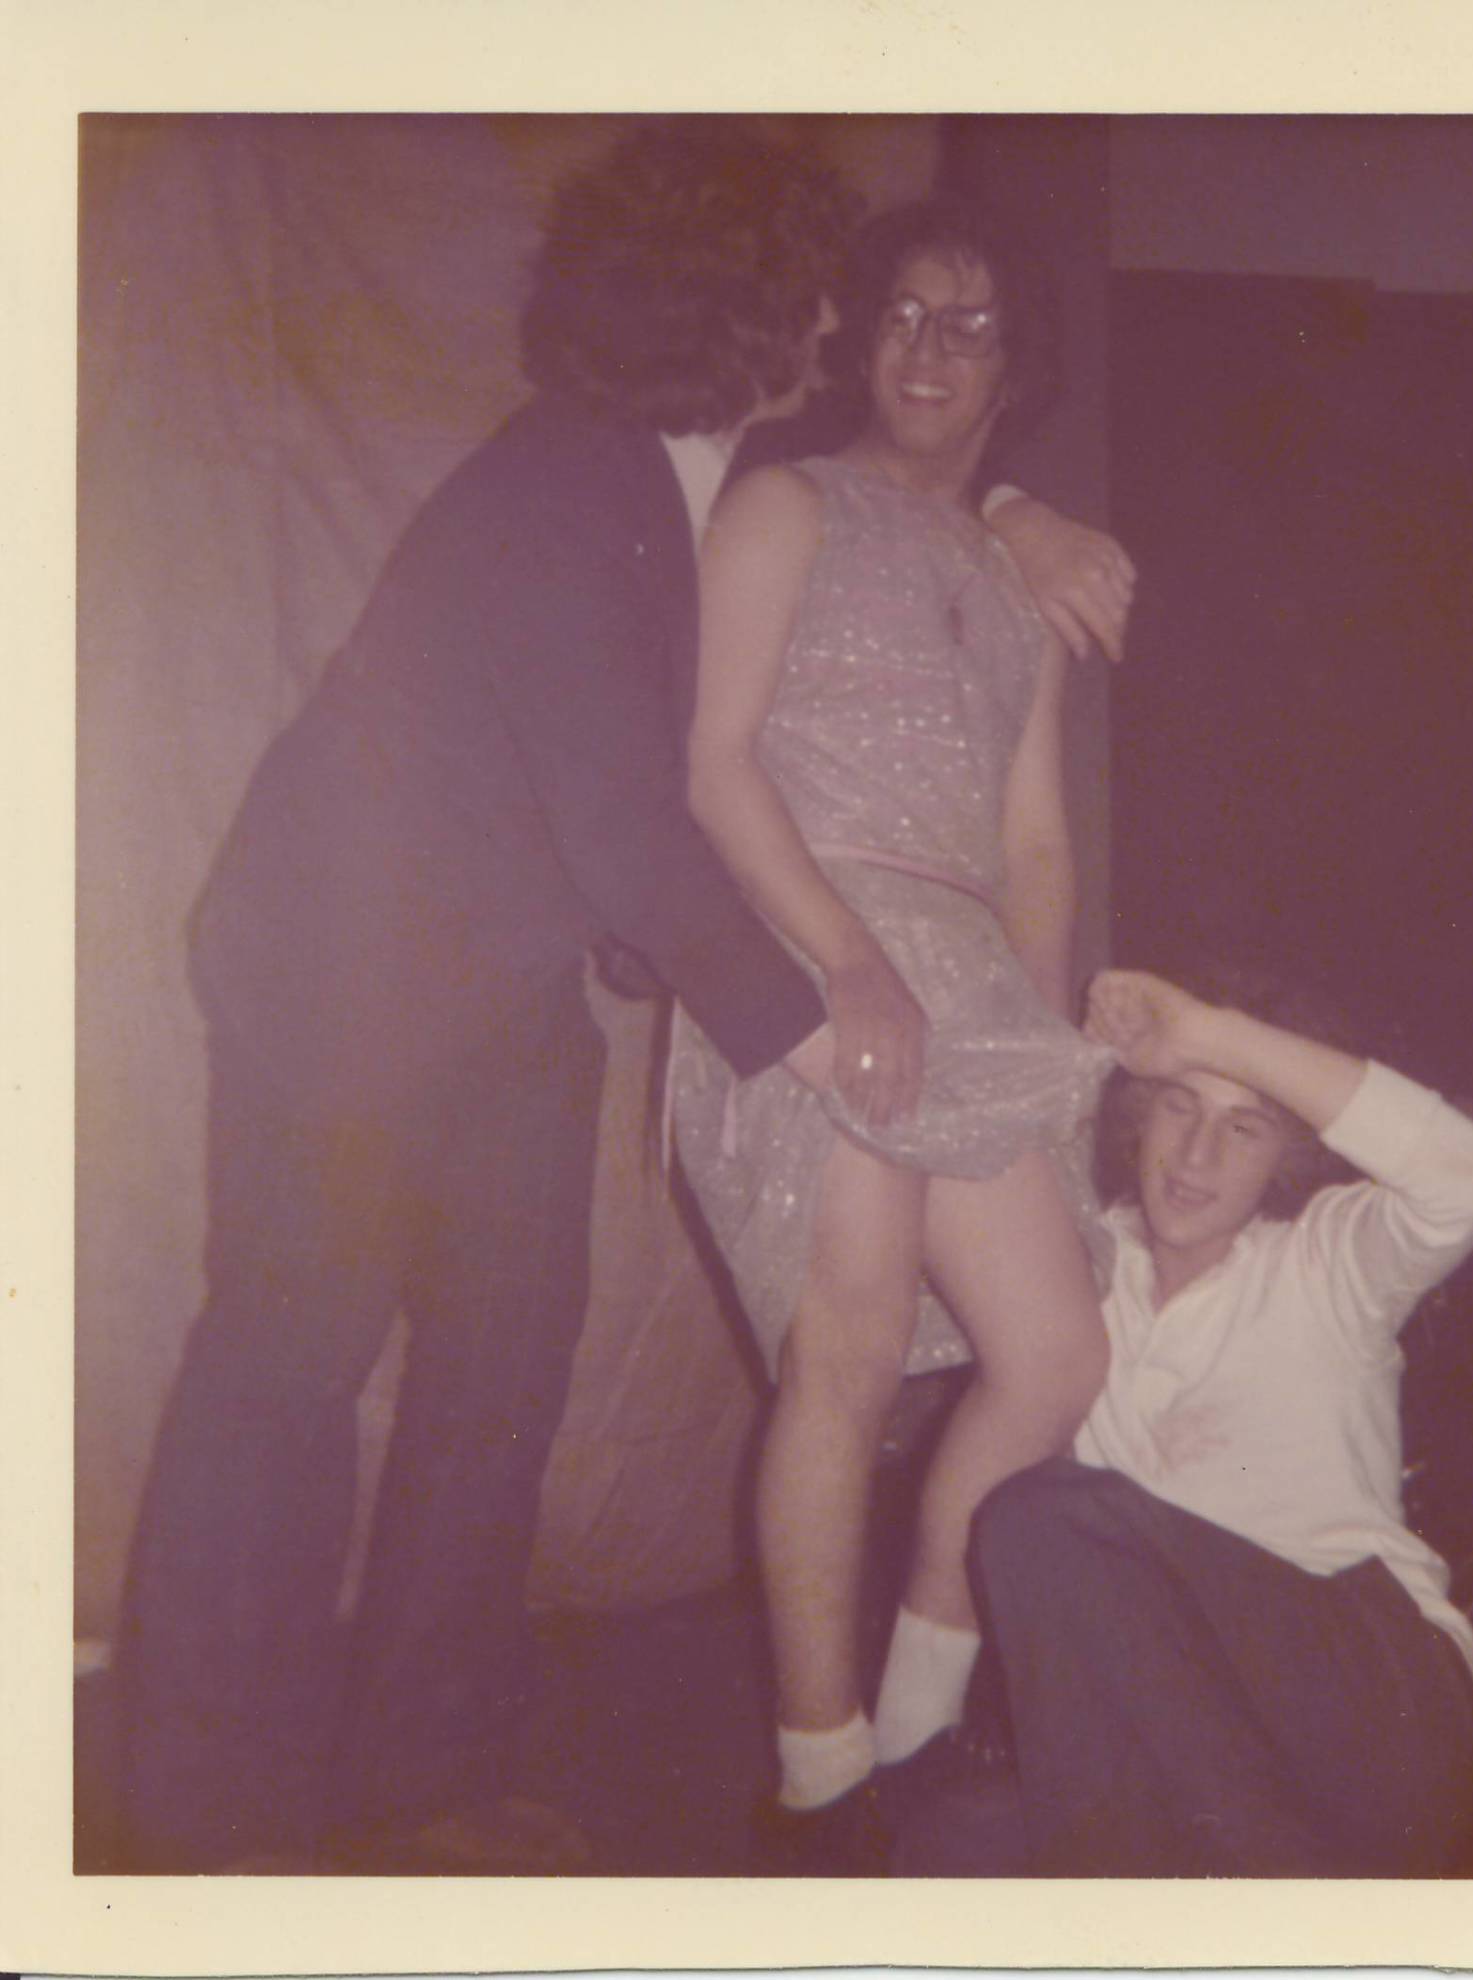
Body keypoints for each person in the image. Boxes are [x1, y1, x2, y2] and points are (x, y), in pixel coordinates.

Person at [112, 127, 1129, 1875]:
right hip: (338, 980)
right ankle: (202, 1823)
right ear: (740, 312)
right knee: (287, 1366)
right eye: (827, 298)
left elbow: (905, 513)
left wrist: (1020, 508)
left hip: (504, 996)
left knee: (501, 1379)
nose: (854, 328)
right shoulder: (572, 490)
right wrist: (825, 1035)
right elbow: (627, 821)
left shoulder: (696, 481)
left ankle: (423, 1781)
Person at [672, 195, 1121, 1869]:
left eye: (971, 323)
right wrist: (846, 962)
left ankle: (917, 1728)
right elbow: (710, 763)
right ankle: (818, 1779)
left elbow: (1036, 851)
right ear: (864, 338)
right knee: (845, 1359)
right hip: (812, 948)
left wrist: (1055, 1072)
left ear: (1016, 365)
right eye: (905, 315)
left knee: (1058, 1358)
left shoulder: (1018, 581)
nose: (931, 347)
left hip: (970, 986)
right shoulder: (783, 502)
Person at [968, 964, 1473, 1876]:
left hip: (1375, 1694)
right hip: (1198, 1731)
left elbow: (1468, 1173)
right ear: (1139, 1117)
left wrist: (1204, 1037)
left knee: (1041, 1517)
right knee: (952, 1844)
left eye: (1244, 1127)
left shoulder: (1326, 1262)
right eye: (1179, 1106)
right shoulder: (1077, 1275)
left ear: (1285, 1158)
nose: (1197, 1155)